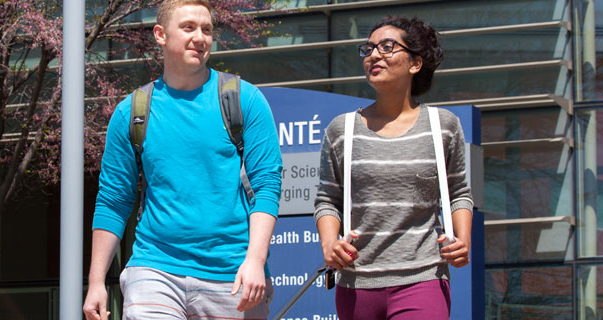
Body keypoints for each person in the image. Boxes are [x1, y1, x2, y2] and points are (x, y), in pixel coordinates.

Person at [81, 1, 283, 319]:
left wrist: (255, 261)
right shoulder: (132, 112)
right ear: (160, 34)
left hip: (232, 274)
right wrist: (95, 282)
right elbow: (113, 201)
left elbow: (267, 186)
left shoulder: (245, 100)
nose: (200, 37)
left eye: (207, 29)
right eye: (188, 27)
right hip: (154, 269)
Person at [314, 16, 473, 320]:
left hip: (423, 279)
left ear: (415, 64)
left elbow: (459, 193)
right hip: (356, 283)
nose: (374, 55)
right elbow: (327, 200)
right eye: (369, 48)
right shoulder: (341, 130)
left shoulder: (444, 126)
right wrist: (330, 243)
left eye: (387, 47)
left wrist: (463, 240)